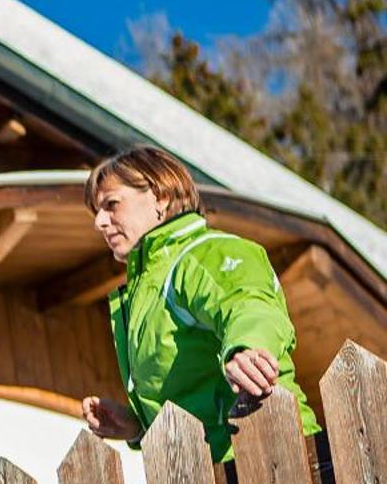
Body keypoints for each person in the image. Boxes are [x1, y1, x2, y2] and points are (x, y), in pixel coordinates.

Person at [79, 145, 319, 461]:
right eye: (96, 211)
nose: (100, 222)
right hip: (212, 483)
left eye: (111, 204)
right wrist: (138, 428)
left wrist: (246, 347)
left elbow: (250, 304)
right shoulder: (144, 294)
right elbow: (192, 397)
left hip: (276, 457)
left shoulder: (202, 254)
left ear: (160, 198)